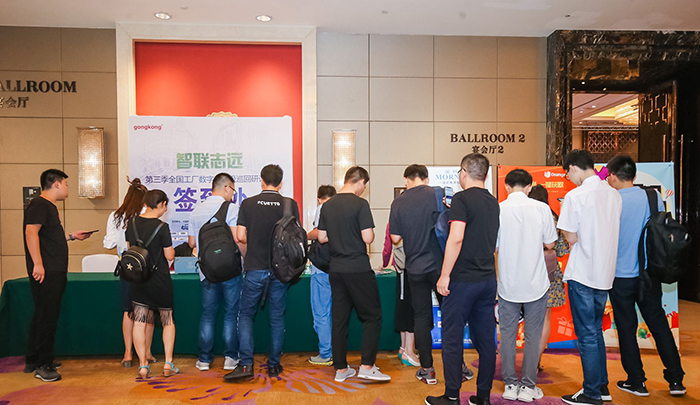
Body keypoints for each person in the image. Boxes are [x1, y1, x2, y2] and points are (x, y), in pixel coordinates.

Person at [606, 155, 686, 397]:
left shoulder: (611, 200)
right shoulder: (652, 197)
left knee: (626, 329)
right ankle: (676, 380)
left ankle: (636, 381)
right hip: (649, 273)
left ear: (613, 176)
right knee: (659, 325)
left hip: (620, 276)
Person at [426, 153, 499, 405]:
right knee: (486, 341)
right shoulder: (493, 201)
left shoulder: (461, 199)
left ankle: (452, 396)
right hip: (487, 280)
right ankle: (483, 397)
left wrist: (445, 274)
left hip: (462, 280)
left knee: (452, 339)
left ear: (463, 172)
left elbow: (456, 238)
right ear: (485, 175)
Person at [558, 150, 622, 405]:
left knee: (587, 334)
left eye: (567, 173)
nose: (569, 178)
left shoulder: (575, 196)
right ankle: (601, 387)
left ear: (573, 168)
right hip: (604, 273)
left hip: (583, 272)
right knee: (595, 331)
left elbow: (571, 238)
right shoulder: (614, 194)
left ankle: (592, 392)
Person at [225, 164, 299, 381]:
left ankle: (246, 365)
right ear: (281, 183)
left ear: (262, 180)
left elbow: (240, 236)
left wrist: (254, 245)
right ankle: (274, 365)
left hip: (255, 267)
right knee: (276, 317)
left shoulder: (248, 204)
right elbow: (295, 237)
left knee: (246, 315)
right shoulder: (290, 204)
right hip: (281, 270)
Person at [318, 166, 391, 382]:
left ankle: (341, 370)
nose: (363, 190)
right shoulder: (360, 204)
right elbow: (368, 237)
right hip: (357, 267)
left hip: (336, 268)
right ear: (360, 181)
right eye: (364, 186)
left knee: (339, 319)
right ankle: (367, 366)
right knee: (372, 316)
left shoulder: (327, 205)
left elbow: (322, 237)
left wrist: (340, 235)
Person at [23, 169, 92, 382]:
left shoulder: (48, 207)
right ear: (56, 184)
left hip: (53, 268)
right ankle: (43, 365)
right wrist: (38, 264)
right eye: (66, 183)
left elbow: (48, 236)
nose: (67, 188)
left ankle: (34, 358)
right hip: (48, 270)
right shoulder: (40, 204)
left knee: (43, 314)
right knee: (47, 317)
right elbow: (31, 233)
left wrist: (71, 236)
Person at [496, 169, 557, 402]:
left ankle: (510, 385)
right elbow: (550, 244)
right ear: (530, 187)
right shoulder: (542, 209)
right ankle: (528, 387)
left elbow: (495, 246)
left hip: (508, 283)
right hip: (536, 283)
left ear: (507, 186)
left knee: (507, 335)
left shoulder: (499, 209)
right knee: (533, 336)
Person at [388, 164, 443, 383]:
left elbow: (395, 238)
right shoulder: (438, 194)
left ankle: (428, 370)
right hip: (440, 267)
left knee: (421, 317)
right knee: (451, 314)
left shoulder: (398, 202)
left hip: (415, 267)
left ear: (406, 179)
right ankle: (458, 366)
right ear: (426, 179)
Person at [188, 173, 244, 372]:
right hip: (231, 271)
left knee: (208, 314)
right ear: (227, 187)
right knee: (231, 313)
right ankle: (230, 358)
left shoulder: (196, 211)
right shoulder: (231, 208)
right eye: (233, 190)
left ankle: (204, 360)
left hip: (207, 272)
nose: (233, 195)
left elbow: (192, 243)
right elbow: (237, 238)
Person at [103, 178, 157, 368]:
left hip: (126, 266)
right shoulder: (147, 215)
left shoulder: (115, 216)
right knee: (148, 311)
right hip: (146, 267)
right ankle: (147, 353)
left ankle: (128, 353)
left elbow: (108, 243)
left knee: (128, 311)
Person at [126, 189, 177, 379]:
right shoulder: (162, 227)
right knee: (167, 321)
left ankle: (143, 365)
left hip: (139, 279)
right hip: (160, 279)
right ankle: (168, 363)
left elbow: (131, 250)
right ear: (162, 204)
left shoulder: (131, 223)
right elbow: (169, 255)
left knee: (139, 322)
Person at [528, 185, 569, 369]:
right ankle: (536, 359)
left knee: (528, 317)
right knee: (545, 318)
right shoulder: (554, 218)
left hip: (527, 271)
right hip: (550, 272)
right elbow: (562, 250)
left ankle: (528, 359)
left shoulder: (526, 216)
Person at [307, 185, 337, 366]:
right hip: (338, 266)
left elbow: (319, 233)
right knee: (336, 313)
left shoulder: (322, 208)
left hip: (321, 267)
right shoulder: (341, 209)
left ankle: (326, 353)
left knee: (321, 313)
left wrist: (303, 235)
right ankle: (336, 351)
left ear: (319, 199)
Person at [383, 223, 419, 367]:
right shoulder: (408, 217)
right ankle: (408, 351)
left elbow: (387, 245)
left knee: (404, 306)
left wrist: (385, 263)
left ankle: (404, 348)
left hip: (401, 267)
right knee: (410, 308)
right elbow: (389, 243)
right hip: (410, 266)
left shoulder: (396, 217)